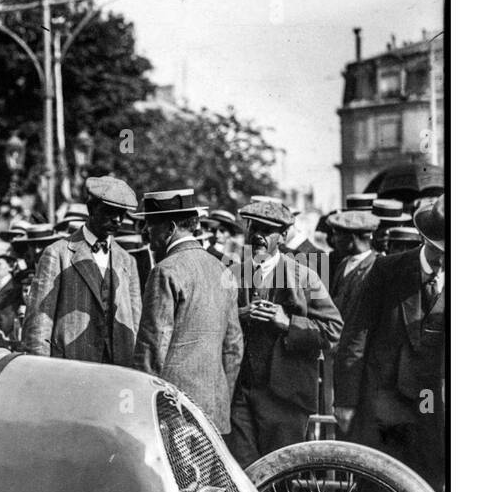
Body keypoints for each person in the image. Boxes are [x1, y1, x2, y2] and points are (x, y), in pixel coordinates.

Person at [335, 197, 446, 492]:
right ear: (424, 238)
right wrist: (345, 400)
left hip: (430, 398)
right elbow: (356, 334)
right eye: (439, 250)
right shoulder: (387, 270)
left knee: (428, 485)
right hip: (385, 395)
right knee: (379, 484)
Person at [227, 200, 342, 467]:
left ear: (283, 236)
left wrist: (288, 323)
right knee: (243, 473)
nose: (258, 235)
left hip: (285, 398)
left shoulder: (305, 277)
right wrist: (240, 315)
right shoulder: (232, 274)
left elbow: (333, 330)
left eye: (267, 230)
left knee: (278, 478)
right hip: (240, 394)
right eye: (253, 227)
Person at [132, 188, 243, 433]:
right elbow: (234, 347)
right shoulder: (223, 269)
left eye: (150, 227)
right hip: (214, 411)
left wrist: (141, 403)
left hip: (172, 412)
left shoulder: (165, 270)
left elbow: (153, 347)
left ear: (170, 229)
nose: (146, 235)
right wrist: (222, 398)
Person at [22, 175, 142, 365]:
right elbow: (38, 323)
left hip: (120, 371)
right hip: (72, 368)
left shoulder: (128, 261)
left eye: (122, 213)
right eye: (110, 212)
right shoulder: (58, 254)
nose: (118, 220)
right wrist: (41, 371)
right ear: (91, 208)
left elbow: (135, 324)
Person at [325, 208, 378, 316]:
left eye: (337, 234)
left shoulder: (377, 265)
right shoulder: (343, 263)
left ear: (352, 237)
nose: (333, 240)